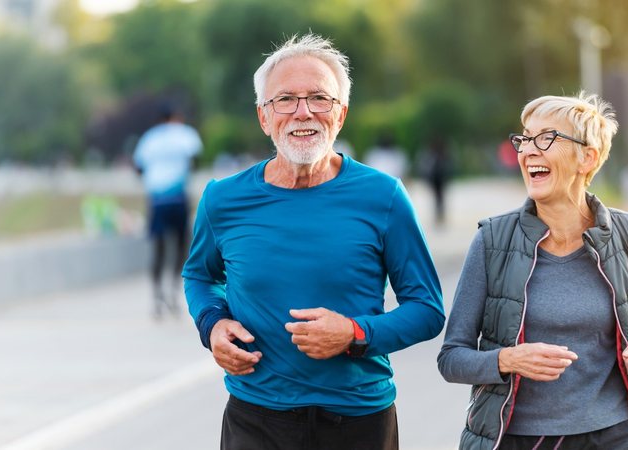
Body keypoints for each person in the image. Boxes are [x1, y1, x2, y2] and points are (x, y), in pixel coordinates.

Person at [182, 34, 445, 450]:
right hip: (255, 419)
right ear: (263, 117)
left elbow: (428, 309)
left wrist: (355, 333)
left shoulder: (384, 196)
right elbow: (200, 276)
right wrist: (212, 323)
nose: (303, 112)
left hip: (359, 421)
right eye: (285, 99)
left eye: (319, 98)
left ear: (340, 115)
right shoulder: (223, 199)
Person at [438, 92, 628, 450]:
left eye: (546, 138)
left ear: (586, 158)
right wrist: (508, 359)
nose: (528, 150)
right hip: (516, 439)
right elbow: (452, 358)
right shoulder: (492, 240)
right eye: (524, 139)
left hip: (609, 435)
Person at [133, 105, 201, 319]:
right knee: (181, 246)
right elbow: (194, 161)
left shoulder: (148, 139)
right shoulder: (185, 133)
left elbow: (138, 167)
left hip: (157, 200)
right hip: (178, 197)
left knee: (158, 248)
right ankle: (174, 290)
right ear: (175, 117)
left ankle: (156, 296)